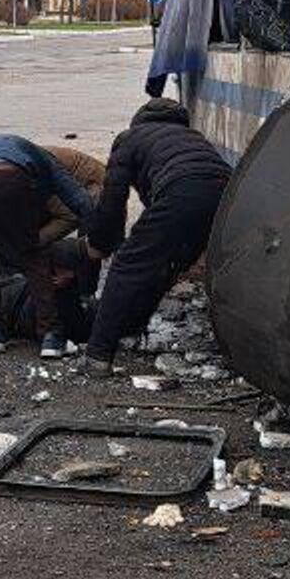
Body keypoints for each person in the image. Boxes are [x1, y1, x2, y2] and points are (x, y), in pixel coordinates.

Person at [72, 98, 230, 375]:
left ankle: (97, 355)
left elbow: (112, 201)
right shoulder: (193, 137)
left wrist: (103, 242)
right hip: (229, 196)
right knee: (165, 266)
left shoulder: (130, 138)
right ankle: (132, 329)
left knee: (127, 267)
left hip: (182, 191)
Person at [0, 135, 97, 358]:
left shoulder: (16, 150)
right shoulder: (47, 160)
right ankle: (51, 335)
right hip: (5, 177)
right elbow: (80, 201)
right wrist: (102, 236)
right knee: (33, 252)